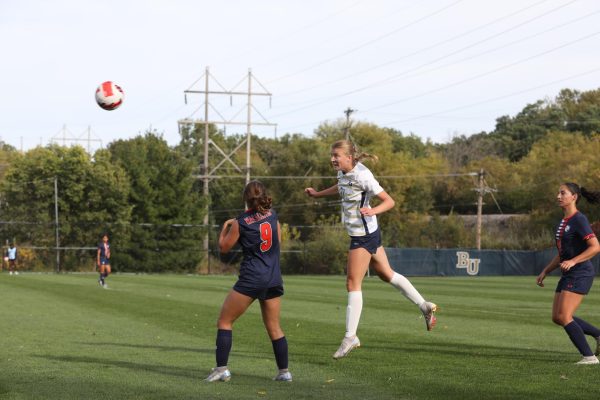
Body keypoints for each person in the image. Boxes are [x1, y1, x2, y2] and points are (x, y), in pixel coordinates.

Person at [304, 140, 437, 359]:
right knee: (387, 274)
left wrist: (373, 210)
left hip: (363, 236)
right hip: (367, 233)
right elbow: (341, 187)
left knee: (352, 283)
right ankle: (425, 306)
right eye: (332, 155)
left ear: (349, 157)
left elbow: (389, 201)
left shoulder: (363, 175)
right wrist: (318, 194)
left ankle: (350, 336)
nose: (332, 159)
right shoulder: (344, 173)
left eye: (336, 155)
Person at [205, 180, 291, 383]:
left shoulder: (240, 221)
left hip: (252, 278)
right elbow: (277, 242)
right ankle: (284, 372)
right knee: (274, 327)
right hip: (273, 277)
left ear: (246, 199)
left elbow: (224, 247)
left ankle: (221, 369)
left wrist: (225, 227)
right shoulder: (273, 216)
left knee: (225, 321)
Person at [536, 183, 600, 365]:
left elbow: (595, 247)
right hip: (569, 274)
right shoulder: (564, 222)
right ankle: (598, 334)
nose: (558, 196)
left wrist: (573, 261)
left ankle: (589, 357)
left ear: (574, 197)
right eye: (558, 192)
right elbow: (562, 254)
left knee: (565, 316)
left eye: (562, 193)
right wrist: (546, 270)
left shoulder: (579, 219)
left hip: (580, 273)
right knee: (557, 317)